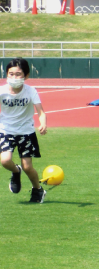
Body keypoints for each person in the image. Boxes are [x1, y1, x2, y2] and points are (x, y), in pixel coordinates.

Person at [1, 57, 48, 203]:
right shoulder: (2, 91)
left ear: (26, 76)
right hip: (6, 130)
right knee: (5, 160)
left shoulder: (31, 91)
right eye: (11, 74)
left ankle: (38, 190)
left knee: (28, 167)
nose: (14, 77)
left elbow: (40, 111)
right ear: (6, 74)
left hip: (26, 132)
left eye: (18, 74)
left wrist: (43, 123)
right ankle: (16, 171)